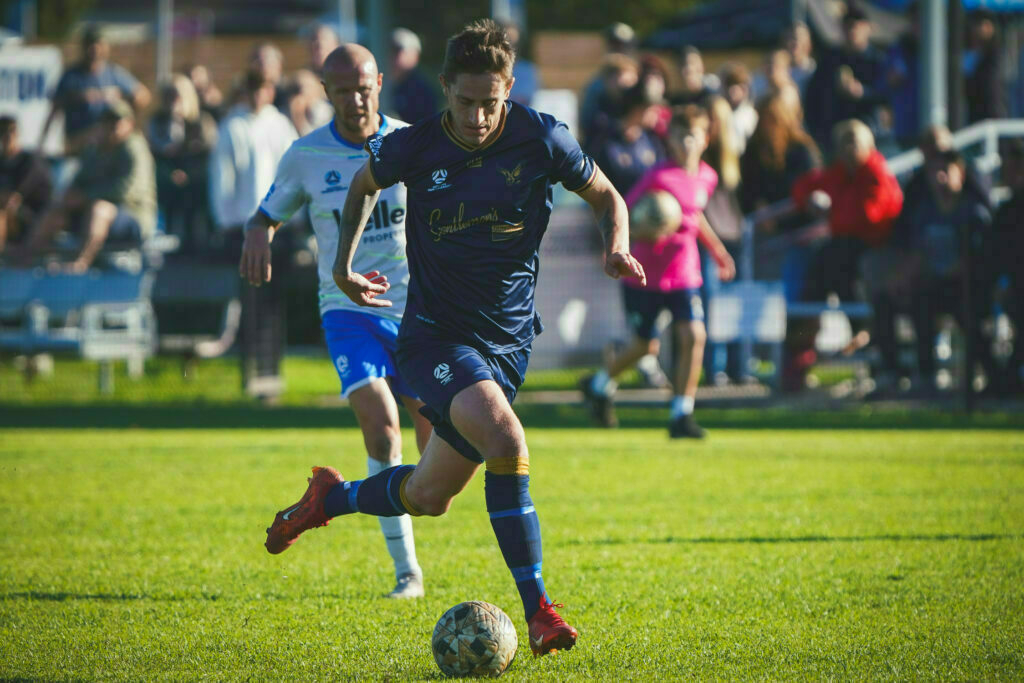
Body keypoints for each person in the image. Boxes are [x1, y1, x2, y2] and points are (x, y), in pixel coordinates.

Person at [264, 19, 646, 657]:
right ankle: (541, 613)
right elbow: (362, 186)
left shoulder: (541, 137)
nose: (476, 117)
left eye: (490, 103)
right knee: (505, 439)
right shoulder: (415, 146)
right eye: (464, 103)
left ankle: (331, 499)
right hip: (435, 336)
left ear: (509, 89)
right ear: (445, 90)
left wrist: (617, 247)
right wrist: (342, 269)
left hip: (508, 343)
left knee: (428, 495)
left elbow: (609, 196)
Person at [242, 45, 429, 599]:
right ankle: (407, 574)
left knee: (436, 460)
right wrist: (258, 231)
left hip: (417, 310)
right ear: (326, 93)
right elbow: (267, 212)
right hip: (348, 311)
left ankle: (334, 499)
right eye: (342, 90)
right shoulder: (306, 155)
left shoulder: (410, 142)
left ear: (379, 85)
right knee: (383, 428)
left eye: (363, 88)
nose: (354, 100)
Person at [581, 105, 736, 437]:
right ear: (670, 140)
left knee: (694, 335)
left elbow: (695, 218)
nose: (686, 143)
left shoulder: (708, 176)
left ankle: (681, 415)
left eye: (692, 136)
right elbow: (627, 212)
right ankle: (598, 384)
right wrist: (631, 238)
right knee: (644, 346)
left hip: (685, 274)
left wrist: (718, 251)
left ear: (705, 139)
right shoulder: (658, 177)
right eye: (679, 136)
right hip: (646, 275)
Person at [786, 118, 903, 391]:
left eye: (855, 142)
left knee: (843, 272)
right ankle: (800, 356)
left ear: (869, 146)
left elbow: (868, 217)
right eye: (844, 143)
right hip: (842, 254)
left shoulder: (877, 173)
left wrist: (832, 211)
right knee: (812, 286)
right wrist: (810, 200)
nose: (849, 149)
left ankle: (871, 348)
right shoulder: (839, 173)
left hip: (875, 252)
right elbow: (804, 186)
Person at [209, 69, 297, 399]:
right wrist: (229, 222)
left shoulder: (280, 125)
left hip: (280, 229)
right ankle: (250, 375)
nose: (260, 95)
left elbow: (293, 174)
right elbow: (223, 180)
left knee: (273, 305)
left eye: (265, 88)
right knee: (251, 301)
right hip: (244, 229)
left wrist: (292, 218)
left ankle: (271, 375)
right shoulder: (233, 126)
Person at [874, 151, 992, 394]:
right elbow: (917, 253)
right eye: (934, 172)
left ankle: (991, 378)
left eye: (945, 171)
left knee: (967, 316)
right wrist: (901, 278)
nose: (939, 178)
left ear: (960, 173)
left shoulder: (974, 212)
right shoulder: (924, 212)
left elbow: (977, 259)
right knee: (891, 298)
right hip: (930, 289)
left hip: (965, 288)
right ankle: (913, 375)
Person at [20, 100, 156, 272]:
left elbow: (126, 190)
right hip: (91, 214)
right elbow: (79, 181)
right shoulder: (95, 149)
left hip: (133, 216)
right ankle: (25, 260)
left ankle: (80, 263)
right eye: (108, 121)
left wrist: (85, 197)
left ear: (129, 124)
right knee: (57, 211)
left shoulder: (135, 148)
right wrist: (68, 197)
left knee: (99, 209)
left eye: (117, 121)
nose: (112, 126)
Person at [39, 25, 151, 157]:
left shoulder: (113, 73)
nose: (94, 49)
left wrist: (120, 100)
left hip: (110, 145)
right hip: (80, 144)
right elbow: (55, 108)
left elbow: (143, 96)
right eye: (90, 45)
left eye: (98, 45)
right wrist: (42, 144)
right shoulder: (71, 76)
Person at [146, 74, 218, 252]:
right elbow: (153, 153)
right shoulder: (157, 122)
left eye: (176, 95)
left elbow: (207, 154)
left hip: (195, 179)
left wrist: (188, 173)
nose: (172, 101)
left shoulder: (202, 122)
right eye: (168, 96)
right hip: (166, 179)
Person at [803, 5, 887, 148]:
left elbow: (888, 94)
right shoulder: (830, 59)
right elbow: (813, 95)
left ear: (868, 28)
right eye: (848, 26)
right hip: (832, 135)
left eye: (857, 26)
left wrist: (863, 93)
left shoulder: (878, 60)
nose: (852, 30)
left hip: (867, 135)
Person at [0, 116, 52, 255]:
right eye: (2, 131)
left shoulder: (30, 162)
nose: (7, 135)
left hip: (33, 219)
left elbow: (12, 199)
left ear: (18, 134)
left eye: (12, 131)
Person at [387, 28, 439, 124]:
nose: (392, 55)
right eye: (390, 49)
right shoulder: (382, 83)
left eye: (398, 50)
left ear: (415, 55)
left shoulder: (422, 90)